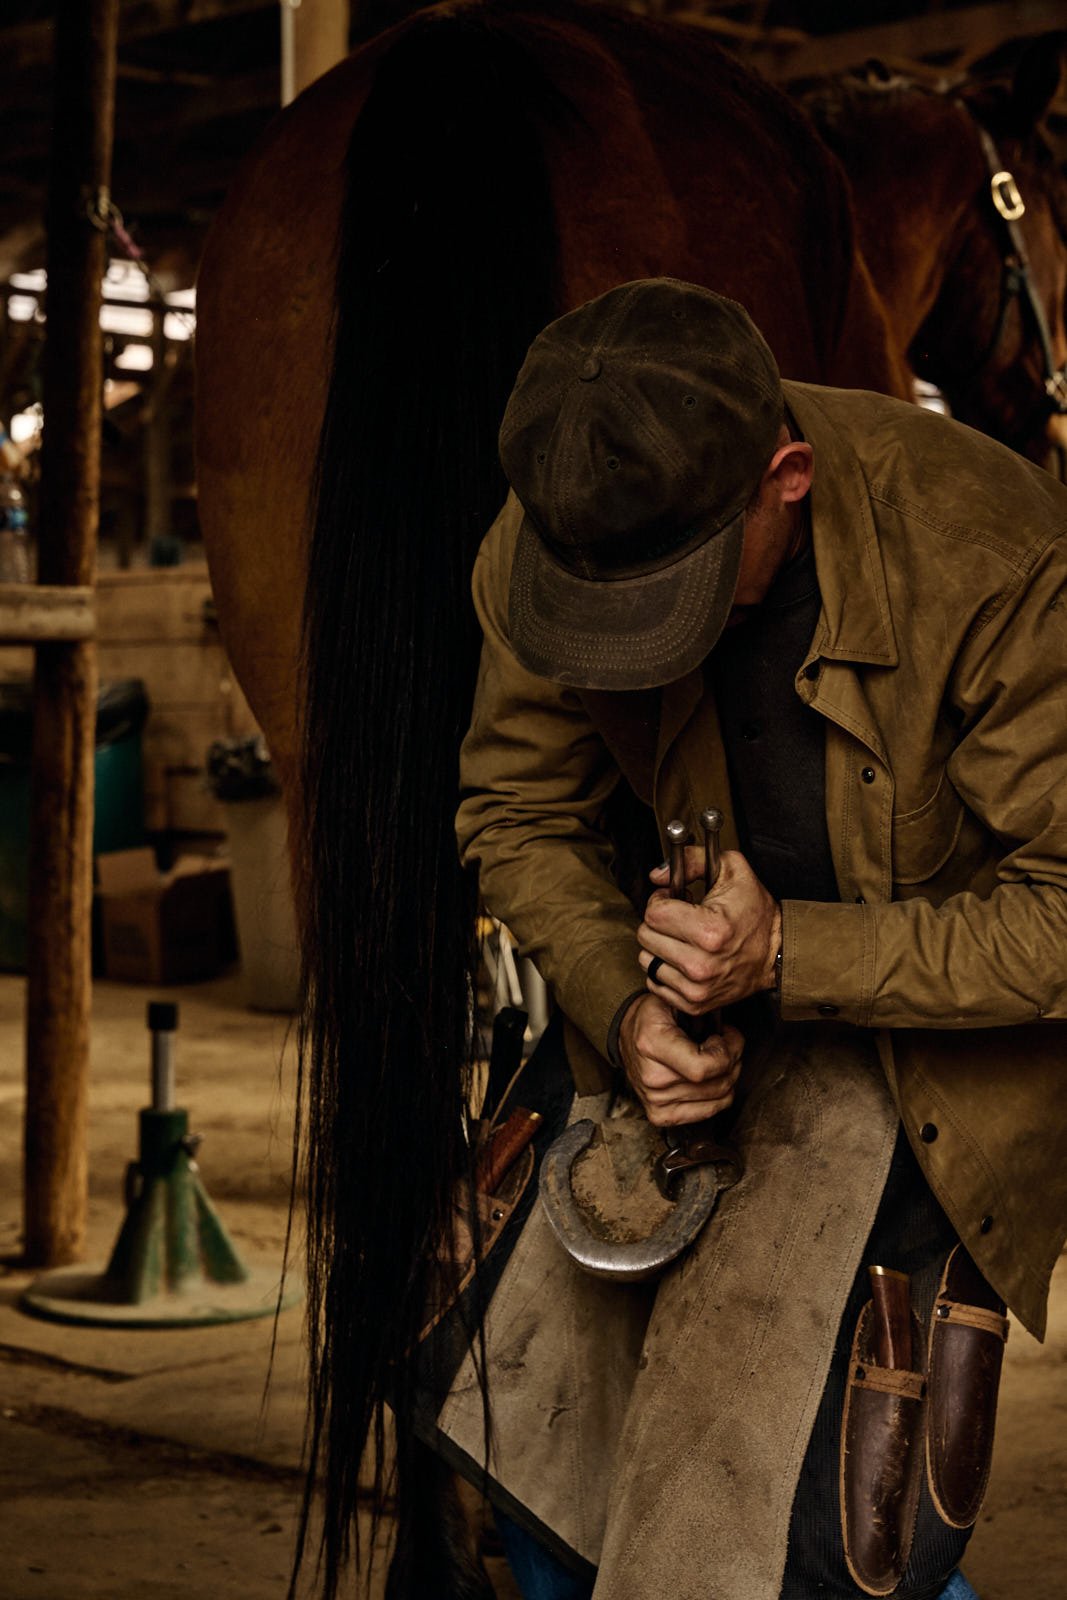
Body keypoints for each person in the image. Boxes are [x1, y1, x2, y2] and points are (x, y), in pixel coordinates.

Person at [454, 278, 1067, 1600]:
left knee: (794, 1551)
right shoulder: (565, 523)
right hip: (669, 1001)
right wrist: (623, 1007)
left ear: (783, 477)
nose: (631, 636)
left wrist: (790, 952)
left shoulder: (994, 554)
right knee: (517, 1442)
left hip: (920, 1057)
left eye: (675, 591)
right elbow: (515, 804)